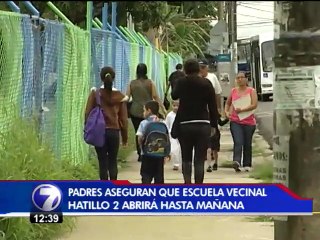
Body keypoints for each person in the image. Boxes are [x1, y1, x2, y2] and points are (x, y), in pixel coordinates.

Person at [171, 59, 219, 184]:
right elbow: (213, 106)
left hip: (185, 124)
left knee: (186, 157)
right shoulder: (206, 83)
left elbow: (174, 96)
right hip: (203, 123)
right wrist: (214, 125)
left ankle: (187, 183)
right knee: (199, 158)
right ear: (198, 69)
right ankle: (198, 186)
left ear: (185, 70)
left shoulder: (181, 82)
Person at [85, 66, 128, 180]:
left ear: (101, 78)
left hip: (99, 131)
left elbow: (88, 113)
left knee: (102, 161)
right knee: (112, 161)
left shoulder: (95, 94)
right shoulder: (120, 96)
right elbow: (123, 119)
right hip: (114, 131)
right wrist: (124, 138)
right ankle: (113, 188)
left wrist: (88, 129)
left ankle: (103, 188)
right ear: (113, 78)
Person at [126, 63, 166, 162]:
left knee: (138, 132)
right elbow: (155, 96)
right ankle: (148, 150)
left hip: (135, 111)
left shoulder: (132, 83)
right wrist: (163, 108)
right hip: (149, 111)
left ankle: (140, 153)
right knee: (148, 131)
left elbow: (127, 96)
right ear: (146, 71)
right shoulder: (150, 83)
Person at [224, 72, 258, 172]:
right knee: (238, 141)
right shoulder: (233, 91)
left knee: (247, 143)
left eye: (241, 78)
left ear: (246, 79)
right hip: (235, 121)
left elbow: (254, 104)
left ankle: (247, 164)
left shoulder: (251, 91)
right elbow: (228, 103)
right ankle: (236, 161)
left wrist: (242, 110)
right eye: (237, 78)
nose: (239, 80)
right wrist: (226, 112)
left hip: (249, 122)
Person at [198, 59, 224, 172]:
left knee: (213, 134)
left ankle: (212, 153)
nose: (201, 70)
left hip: (211, 110)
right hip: (199, 111)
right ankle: (205, 153)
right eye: (200, 67)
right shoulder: (195, 79)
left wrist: (218, 108)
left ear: (207, 68)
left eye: (203, 67)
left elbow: (218, 94)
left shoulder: (212, 77)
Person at [136, 101, 169, 184]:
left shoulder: (144, 123)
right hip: (159, 155)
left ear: (149, 111)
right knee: (159, 177)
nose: (143, 113)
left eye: (144, 110)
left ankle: (147, 194)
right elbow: (167, 138)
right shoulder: (162, 122)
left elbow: (139, 137)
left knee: (146, 175)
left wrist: (142, 148)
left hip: (147, 154)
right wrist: (166, 153)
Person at [165, 100, 181, 171]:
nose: (176, 108)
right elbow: (167, 125)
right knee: (174, 149)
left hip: (182, 134)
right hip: (172, 134)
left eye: (177, 106)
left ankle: (183, 162)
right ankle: (176, 164)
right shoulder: (169, 115)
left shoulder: (182, 114)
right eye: (174, 106)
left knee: (181, 149)